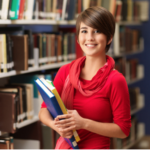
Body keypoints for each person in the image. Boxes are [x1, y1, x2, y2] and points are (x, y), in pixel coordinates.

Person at [39, 6, 131, 149]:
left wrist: (83, 123)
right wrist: (57, 127)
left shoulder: (116, 80)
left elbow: (123, 130)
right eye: (84, 31)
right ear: (77, 38)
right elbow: (44, 110)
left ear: (109, 38)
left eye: (97, 31)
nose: (89, 38)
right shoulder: (65, 72)